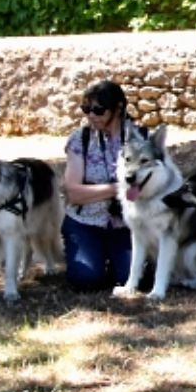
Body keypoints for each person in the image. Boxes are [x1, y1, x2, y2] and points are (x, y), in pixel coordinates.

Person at [61, 79, 136, 292]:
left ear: (118, 108)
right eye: (86, 110)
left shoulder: (139, 138)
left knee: (132, 277)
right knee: (86, 278)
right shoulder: (80, 139)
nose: (91, 115)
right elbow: (73, 193)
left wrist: (97, 191)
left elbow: (146, 191)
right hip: (86, 222)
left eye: (98, 110)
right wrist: (117, 189)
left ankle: (115, 260)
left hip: (127, 224)